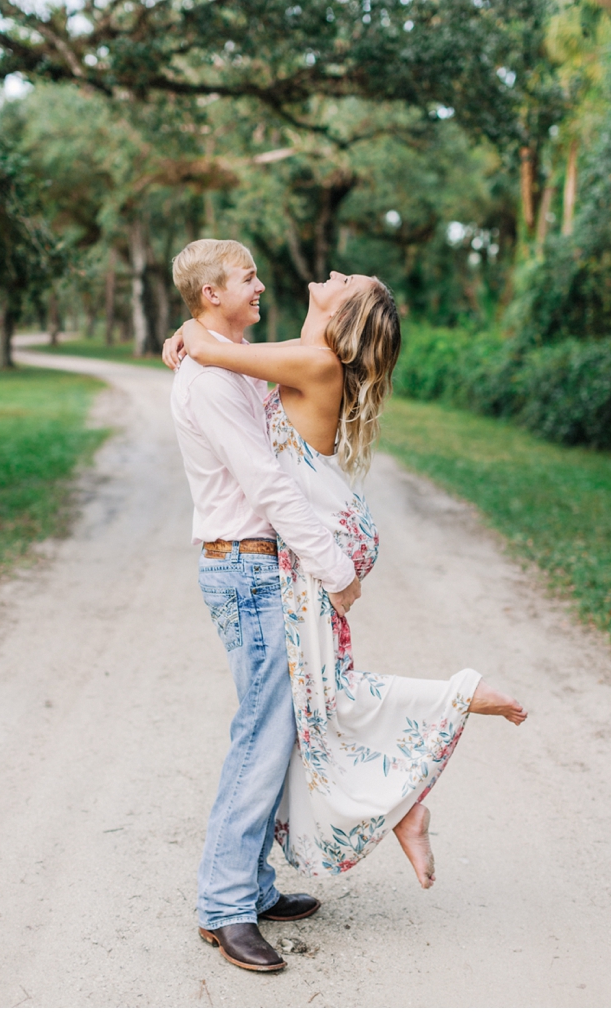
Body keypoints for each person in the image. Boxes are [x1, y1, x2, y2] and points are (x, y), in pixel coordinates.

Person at [166, 263, 527, 906]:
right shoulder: (304, 357)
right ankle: (403, 804)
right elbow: (221, 354)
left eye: (347, 279)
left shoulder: (317, 363)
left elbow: (212, 347)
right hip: (303, 560)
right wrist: (191, 337)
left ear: (347, 314)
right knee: (314, 706)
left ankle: (453, 707)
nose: (333, 271)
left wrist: (189, 333)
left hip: (313, 562)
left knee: (317, 704)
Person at [167, 239, 363, 974]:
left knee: (271, 735)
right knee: (259, 737)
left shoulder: (222, 362)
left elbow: (278, 379)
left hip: (254, 568)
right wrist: (336, 567)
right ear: (213, 292)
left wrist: (193, 336)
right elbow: (269, 484)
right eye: (246, 278)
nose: (259, 286)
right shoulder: (212, 380)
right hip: (246, 567)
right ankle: (223, 908)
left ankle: (252, 885)